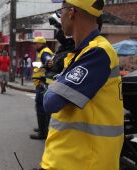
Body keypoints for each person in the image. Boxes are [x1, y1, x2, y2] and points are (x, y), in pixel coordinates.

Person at [37, 0, 124, 169]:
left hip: (82, 162)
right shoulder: (82, 53)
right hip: (70, 160)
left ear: (71, 12)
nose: (60, 17)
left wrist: (54, 85)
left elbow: (51, 102)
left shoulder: (97, 53)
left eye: (60, 11)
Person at [29, 36, 54, 140]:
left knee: (41, 107)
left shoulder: (45, 52)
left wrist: (39, 65)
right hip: (43, 83)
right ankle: (42, 128)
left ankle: (43, 132)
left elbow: (48, 63)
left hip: (43, 84)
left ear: (40, 44)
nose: (34, 46)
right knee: (43, 107)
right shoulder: (43, 52)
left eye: (35, 43)